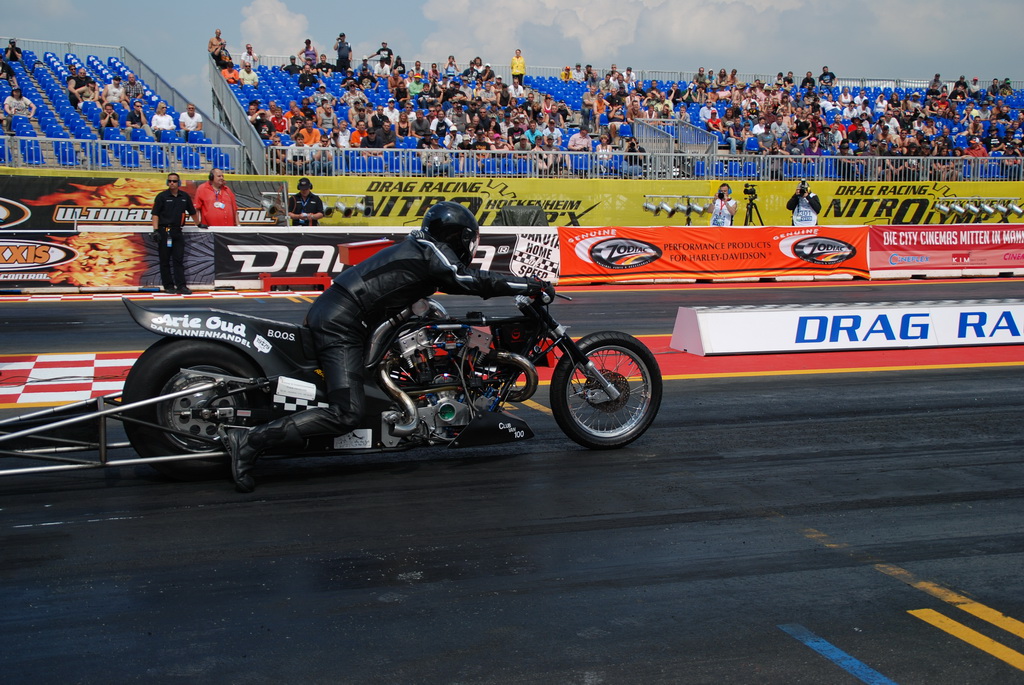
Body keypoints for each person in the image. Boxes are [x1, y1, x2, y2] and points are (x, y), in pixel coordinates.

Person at [219, 202, 555, 493]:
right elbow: (464, 279)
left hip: (343, 315)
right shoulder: (432, 251)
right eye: (469, 239)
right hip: (342, 323)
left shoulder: (421, 246)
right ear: (457, 235)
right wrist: (531, 285)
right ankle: (250, 441)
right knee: (347, 412)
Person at [151, 173, 203, 295]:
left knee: (178, 260)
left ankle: (181, 286)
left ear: (178, 183)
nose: (172, 183)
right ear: (167, 182)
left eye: (174, 181)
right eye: (170, 181)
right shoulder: (162, 196)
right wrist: (155, 230)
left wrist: (199, 224)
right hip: (164, 231)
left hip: (177, 231)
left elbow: (192, 212)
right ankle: (168, 286)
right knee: (165, 260)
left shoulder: (184, 196)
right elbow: (155, 214)